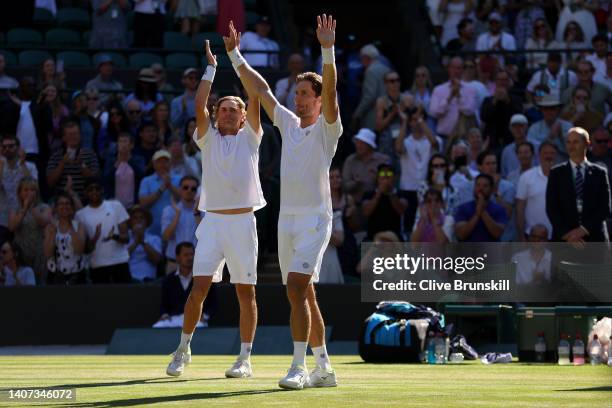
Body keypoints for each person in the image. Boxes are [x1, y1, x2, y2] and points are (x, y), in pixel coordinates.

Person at [226, 15, 341, 388]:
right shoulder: (289, 124)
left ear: (319, 99)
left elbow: (333, 90)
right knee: (303, 291)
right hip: (286, 219)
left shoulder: (328, 129)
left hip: (316, 220)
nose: (298, 97)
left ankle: (299, 367)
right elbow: (260, 91)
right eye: (297, 93)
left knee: (294, 287)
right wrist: (236, 57)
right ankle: (324, 367)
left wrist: (327, 49)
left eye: (305, 93)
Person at [166, 39, 265, 381]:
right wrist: (211, 67)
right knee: (199, 289)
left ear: (242, 118)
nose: (224, 112)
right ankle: (183, 349)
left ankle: (245, 358)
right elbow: (198, 103)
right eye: (220, 108)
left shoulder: (251, 136)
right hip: (212, 225)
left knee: (244, 292)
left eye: (231, 109)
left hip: (243, 224)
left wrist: (237, 59)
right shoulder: (206, 138)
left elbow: (256, 94)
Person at [546, 127, 611, 242]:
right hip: (564, 241)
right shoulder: (556, 173)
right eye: (568, 142)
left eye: (576, 142)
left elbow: (604, 208)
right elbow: (552, 208)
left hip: (594, 240)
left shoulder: (599, 173)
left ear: (587, 143)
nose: (571, 146)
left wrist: (582, 231)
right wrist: (568, 235)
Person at [76, 177, 131, 283]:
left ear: (103, 190)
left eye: (97, 188)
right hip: (97, 266)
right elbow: (84, 250)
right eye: (90, 189)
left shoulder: (116, 206)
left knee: (125, 299)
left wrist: (114, 236)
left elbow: (127, 238)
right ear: (85, 192)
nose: (94, 191)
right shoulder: (80, 215)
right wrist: (94, 239)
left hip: (120, 262)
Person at [395, 107, 440, 235]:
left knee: (429, 224)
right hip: (408, 188)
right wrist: (404, 121)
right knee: (408, 225)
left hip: (427, 188)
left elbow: (435, 143)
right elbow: (398, 148)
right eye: (413, 120)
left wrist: (420, 120)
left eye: (419, 119)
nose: (417, 122)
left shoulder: (430, 139)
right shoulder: (405, 141)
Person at [156, 242, 214, 328]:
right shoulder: (168, 280)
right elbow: (163, 305)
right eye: (186, 255)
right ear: (178, 258)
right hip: (173, 319)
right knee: (158, 326)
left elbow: (213, 304)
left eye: (192, 254)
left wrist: (205, 317)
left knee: (200, 326)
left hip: (196, 320)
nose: (190, 258)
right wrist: (164, 315)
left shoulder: (204, 279)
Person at [8, 177, 51, 282]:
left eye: (32, 190)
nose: (29, 193)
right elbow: (12, 226)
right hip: (21, 253)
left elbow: (44, 221)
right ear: (19, 193)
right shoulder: (14, 209)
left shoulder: (44, 207)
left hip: (39, 254)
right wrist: (25, 208)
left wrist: (31, 208)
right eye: (26, 190)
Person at [46, 119, 100, 201]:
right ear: (64, 138)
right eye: (70, 134)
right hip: (63, 202)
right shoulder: (55, 156)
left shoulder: (90, 154)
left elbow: (94, 180)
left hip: (85, 200)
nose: (73, 137)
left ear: (80, 136)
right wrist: (62, 163)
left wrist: (82, 165)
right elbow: (50, 182)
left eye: (76, 134)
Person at [0, 134, 38, 246]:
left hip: (26, 218)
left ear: (18, 147)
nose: (7, 149)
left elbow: (34, 186)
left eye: (11, 146)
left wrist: (22, 164)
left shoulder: (30, 166)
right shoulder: (0, 167)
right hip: (3, 220)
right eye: (4, 146)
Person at [516, 141, 557, 241]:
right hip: (532, 236)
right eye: (545, 153)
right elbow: (519, 209)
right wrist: (521, 237)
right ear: (539, 155)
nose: (548, 156)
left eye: (552, 153)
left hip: (557, 235)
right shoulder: (526, 177)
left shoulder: (565, 177)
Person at [429, 57, 477, 140]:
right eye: (453, 67)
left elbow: (469, 111)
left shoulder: (470, 89)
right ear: (449, 69)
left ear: (462, 70)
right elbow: (434, 112)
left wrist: (458, 95)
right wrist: (450, 97)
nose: (456, 71)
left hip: (463, 138)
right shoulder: (438, 89)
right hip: (443, 137)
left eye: (458, 68)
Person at [43, 192, 87, 285]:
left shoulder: (79, 226)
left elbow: (79, 250)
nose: (64, 206)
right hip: (56, 276)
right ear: (56, 208)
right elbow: (48, 254)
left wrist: (71, 225)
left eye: (67, 203)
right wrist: (53, 233)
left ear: (72, 207)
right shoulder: (50, 227)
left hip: (77, 276)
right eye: (61, 203)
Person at [162, 175, 200, 273]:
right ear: (180, 190)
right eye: (185, 187)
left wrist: (197, 213)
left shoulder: (203, 213)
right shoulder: (169, 210)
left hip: (196, 265)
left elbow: (206, 238)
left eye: (193, 188)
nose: (189, 190)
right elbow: (166, 237)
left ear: (196, 192)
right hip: (174, 264)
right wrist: (177, 215)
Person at [342, 128, 391, 204]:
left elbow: (389, 184)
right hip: (354, 204)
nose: (358, 145)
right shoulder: (350, 160)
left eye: (362, 143)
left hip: (377, 203)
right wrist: (356, 183)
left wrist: (377, 178)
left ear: (370, 145)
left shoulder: (383, 160)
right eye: (357, 142)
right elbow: (345, 186)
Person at [138, 149, 181, 235]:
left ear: (170, 163)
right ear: (154, 164)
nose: (163, 165)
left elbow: (185, 198)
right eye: (159, 162)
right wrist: (161, 189)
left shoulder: (179, 179)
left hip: (175, 227)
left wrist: (170, 186)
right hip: (152, 229)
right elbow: (142, 203)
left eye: (166, 161)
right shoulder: (146, 181)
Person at [454, 173, 507, 242]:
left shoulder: (499, 209)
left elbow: (497, 233)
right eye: (478, 185)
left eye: (485, 186)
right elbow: (461, 235)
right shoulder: (463, 208)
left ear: (491, 189)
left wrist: (482, 210)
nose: (480, 188)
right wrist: (477, 214)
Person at [362, 164, 408, 241]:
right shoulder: (368, 194)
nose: (386, 176)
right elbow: (366, 212)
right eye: (382, 173)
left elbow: (401, 210)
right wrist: (379, 193)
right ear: (377, 177)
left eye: (389, 174)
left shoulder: (401, 194)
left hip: (395, 237)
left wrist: (390, 192)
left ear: (394, 177)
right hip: (373, 238)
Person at [480, 69, 523, 149]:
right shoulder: (487, 100)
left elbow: (519, 116)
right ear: (495, 82)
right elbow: (483, 117)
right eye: (499, 80)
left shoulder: (516, 99)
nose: (502, 82)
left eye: (505, 80)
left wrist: (507, 100)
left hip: (510, 140)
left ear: (508, 82)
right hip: (492, 142)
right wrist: (494, 101)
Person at [352, 44, 391, 131]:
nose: (361, 62)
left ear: (366, 57)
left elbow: (369, 96)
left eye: (361, 58)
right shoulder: (386, 69)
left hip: (373, 115)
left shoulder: (370, 71)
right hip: (386, 112)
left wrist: (357, 113)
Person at [375, 71, 413, 160]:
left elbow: (414, 122)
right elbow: (378, 127)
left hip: (405, 137)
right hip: (387, 140)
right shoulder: (381, 102)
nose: (395, 83)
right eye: (392, 81)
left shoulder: (408, 99)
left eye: (397, 80)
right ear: (386, 84)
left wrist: (406, 111)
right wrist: (392, 114)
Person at [103, 132, 146, 208]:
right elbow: (106, 180)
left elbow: (141, 175)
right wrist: (117, 164)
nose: (123, 144)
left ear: (131, 145)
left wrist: (128, 160)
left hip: (133, 204)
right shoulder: (111, 161)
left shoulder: (138, 159)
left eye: (125, 141)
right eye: (120, 141)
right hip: (114, 205)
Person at [127, 205, 162, 282]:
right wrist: (136, 242)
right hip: (129, 281)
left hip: (149, 281)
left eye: (141, 217)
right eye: (135, 218)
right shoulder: (125, 238)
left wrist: (142, 242)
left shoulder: (154, 239)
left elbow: (157, 260)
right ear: (130, 221)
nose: (138, 220)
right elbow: (121, 259)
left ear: (147, 221)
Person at [171, 68, 198, 133]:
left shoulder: (204, 100)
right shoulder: (176, 101)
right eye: (191, 78)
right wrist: (183, 111)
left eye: (196, 78)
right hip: (183, 137)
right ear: (183, 80)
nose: (194, 80)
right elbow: (174, 124)